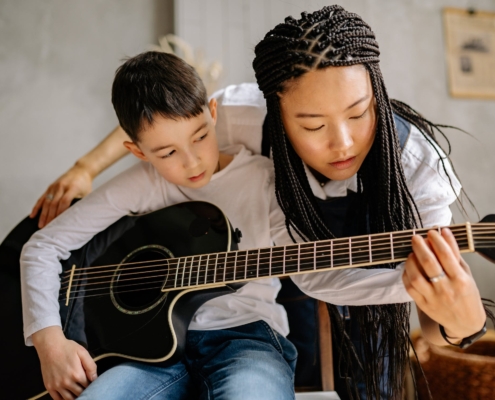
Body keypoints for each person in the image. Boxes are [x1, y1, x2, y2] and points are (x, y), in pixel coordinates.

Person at [27, 5, 488, 400]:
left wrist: (458, 317)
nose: (342, 143)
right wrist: (86, 167)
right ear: (278, 118)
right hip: (188, 315)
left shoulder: (420, 171)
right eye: (311, 126)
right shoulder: (238, 120)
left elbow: (426, 311)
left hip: (290, 308)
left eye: (359, 111)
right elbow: (163, 125)